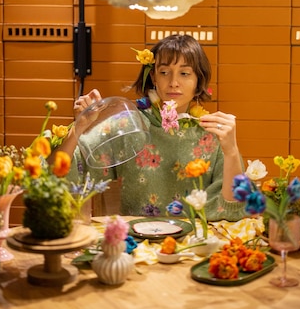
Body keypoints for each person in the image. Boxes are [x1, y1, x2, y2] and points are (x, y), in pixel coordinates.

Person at [59, 34, 245, 221]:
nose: (173, 82)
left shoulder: (214, 133)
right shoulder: (129, 124)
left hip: (195, 244)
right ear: (153, 77)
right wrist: (79, 127)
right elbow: (63, 170)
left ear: (198, 82)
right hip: (136, 243)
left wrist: (231, 151)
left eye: (184, 73)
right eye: (164, 72)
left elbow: (233, 208)